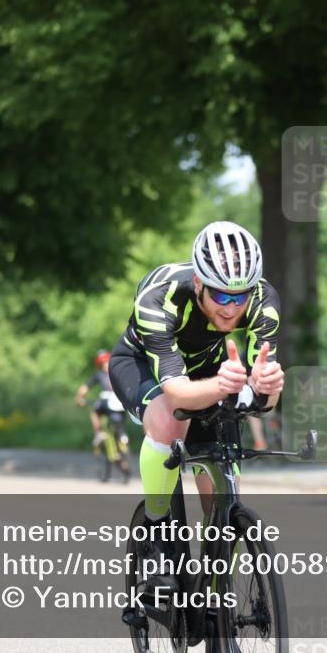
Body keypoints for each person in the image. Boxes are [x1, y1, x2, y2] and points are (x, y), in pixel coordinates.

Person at [108, 221, 284, 583]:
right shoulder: (160, 299)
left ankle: (218, 594)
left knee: (223, 495)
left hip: (208, 365)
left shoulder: (263, 301)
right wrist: (223, 386)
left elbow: (263, 402)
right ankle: (156, 533)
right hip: (143, 365)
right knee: (172, 420)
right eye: (221, 296)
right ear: (200, 283)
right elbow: (177, 394)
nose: (231, 309)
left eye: (241, 297)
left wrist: (268, 386)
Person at [76, 350, 117, 448]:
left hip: (106, 402)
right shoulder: (118, 371)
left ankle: (99, 433)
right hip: (120, 402)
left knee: (94, 412)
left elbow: (84, 389)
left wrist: (79, 398)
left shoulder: (99, 374)